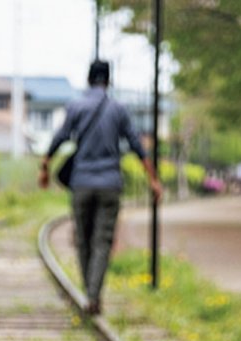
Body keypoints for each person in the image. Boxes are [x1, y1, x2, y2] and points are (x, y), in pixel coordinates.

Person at [39, 59, 162, 315]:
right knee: (102, 241)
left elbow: (60, 137)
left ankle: (89, 294)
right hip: (110, 185)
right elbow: (137, 145)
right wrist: (153, 179)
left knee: (83, 240)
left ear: (88, 79)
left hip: (81, 183)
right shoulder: (118, 108)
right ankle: (94, 295)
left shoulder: (76, 106)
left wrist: (45, 166)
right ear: (108, 80)